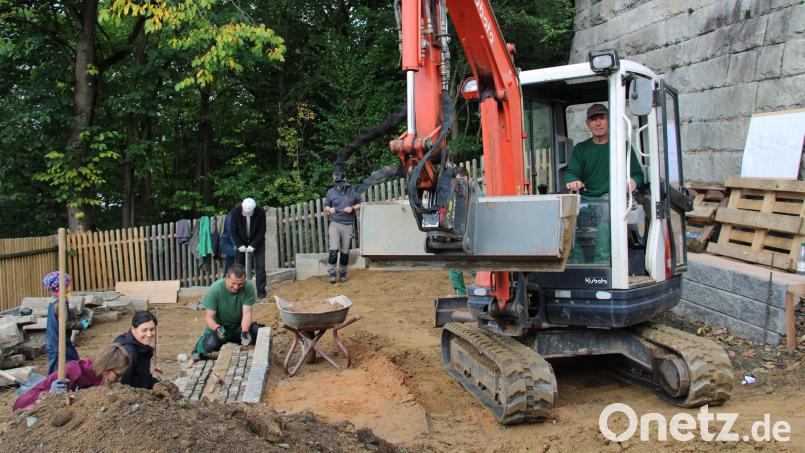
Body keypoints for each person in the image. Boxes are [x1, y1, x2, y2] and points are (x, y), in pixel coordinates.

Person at [564, 103, 645, 263]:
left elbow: (637, 174)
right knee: (565, 223)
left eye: (602, 118)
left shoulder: (622, 147)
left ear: (609, 121)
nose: (598, 123)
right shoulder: (581, 149)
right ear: (588, 124)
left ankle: (602, 264)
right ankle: (577, 264)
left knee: (606, 220)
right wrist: (573, 180)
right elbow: (571, 173)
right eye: (594, 120)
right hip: (586, 203)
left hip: (611, 201)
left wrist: (633, 181)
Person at [13, 344, 130, 411]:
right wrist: (51, 393)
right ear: (107, 367)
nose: (119, 379)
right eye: (118, 374)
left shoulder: (100, 376)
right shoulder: (74, 371)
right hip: (31, 404)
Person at [192, 264, 261, 360]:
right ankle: (197, 349)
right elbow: (209, 317)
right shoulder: (215, 289)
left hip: (238, 327)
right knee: (211, 344)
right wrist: (217, 328)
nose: (236, 287)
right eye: (233, 283)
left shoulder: (248, 287)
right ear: (227, 277)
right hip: (220, 328)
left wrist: (245, 331)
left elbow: (247, 313)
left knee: (259, 332)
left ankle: (238, 338)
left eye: (240, 284)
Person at [324, 170, 362, 283]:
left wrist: (353, 208)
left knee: (345, 251)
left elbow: (360, 203)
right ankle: (331, 273)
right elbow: (326, 205)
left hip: (348, 224)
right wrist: (329, 209)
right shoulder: (331, 192)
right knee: (334, 250)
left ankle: (342, 273)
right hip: (335, 224)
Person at [228, 197, 267, 299]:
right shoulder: (236, 212)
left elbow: (261, 231)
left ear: (254, 209)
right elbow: (232, 231)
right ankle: (239, 292)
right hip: (241, 241)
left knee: (260, 266)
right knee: (238, 268)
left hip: (257, 241)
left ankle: (261, 293)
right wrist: (238, 244)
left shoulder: (260, 212)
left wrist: (253, 245)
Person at [42, 271, 80, 375]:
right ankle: (53, 386)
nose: (70, 286)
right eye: (68, 284)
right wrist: (81, 324)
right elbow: (64, 324)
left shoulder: (54, 301)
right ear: (61, 286)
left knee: (56, 364)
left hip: (53, 340)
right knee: (72, 362)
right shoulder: (60, 303)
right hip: (59, 341)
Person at [113, 311, 159, 389]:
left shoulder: (141, 347)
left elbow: (142, 376)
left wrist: (158, 384)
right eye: (144, 330)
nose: (149, 334)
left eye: (152, 329)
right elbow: (122, 385)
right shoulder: (128, 352)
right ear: (133, 329)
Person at [448, 167, 475, 295]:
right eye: (458, 182)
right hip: (458, 233)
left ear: (468, 179)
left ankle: (485, 286)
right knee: (453, 262)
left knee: (477, 266)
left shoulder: (476, 195)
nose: (461, 185)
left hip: (474, 235)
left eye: (463, 181)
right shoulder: (452, 196)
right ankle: (459, 292)